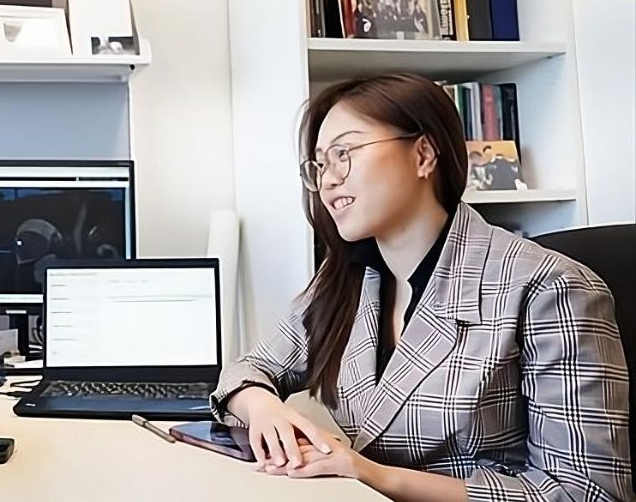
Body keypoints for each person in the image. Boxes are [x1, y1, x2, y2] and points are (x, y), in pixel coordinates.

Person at [211, 73, 630, 500]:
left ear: (424, 155)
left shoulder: (550, 288)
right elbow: (248, 368)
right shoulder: (348, 278)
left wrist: (373, 474)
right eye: (318, 165)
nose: (328, 180)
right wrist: (263, 408)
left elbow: (588, 493)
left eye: (344, 153)